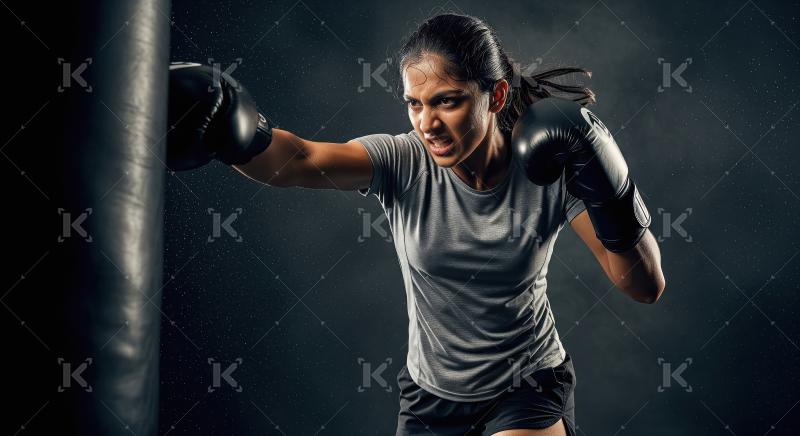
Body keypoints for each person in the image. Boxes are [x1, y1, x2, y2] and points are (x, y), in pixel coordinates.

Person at [167, 13, 665, 436]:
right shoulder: (403, 159)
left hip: (527, 384)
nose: (427, 122)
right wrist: (232, 132)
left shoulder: (548, 165)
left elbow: (643, 286)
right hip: (431, 396)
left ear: (494, 97)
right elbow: (297, 160)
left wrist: (610, 186)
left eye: (447, 100)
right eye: (415, 103)